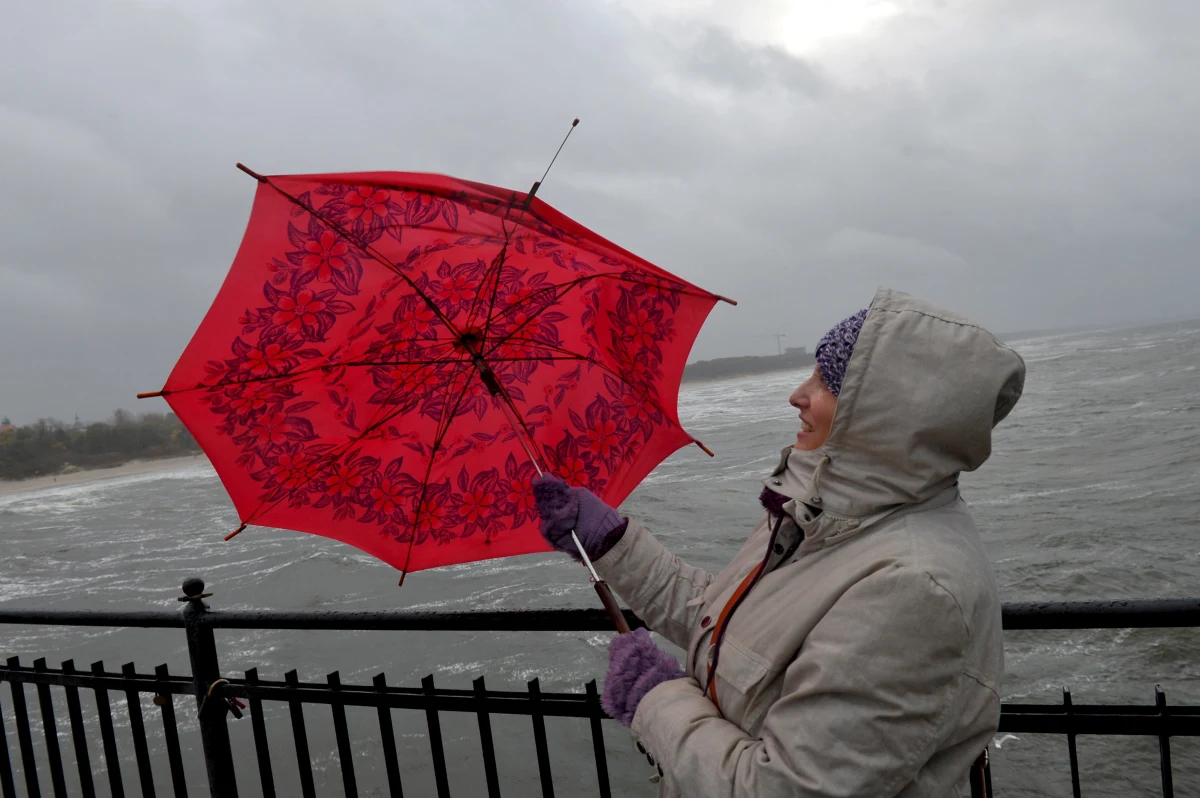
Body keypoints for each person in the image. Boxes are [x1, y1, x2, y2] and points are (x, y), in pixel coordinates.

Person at [533, 287, 1026, 797]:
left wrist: (656, 702)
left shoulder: (913, 588)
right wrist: (611, 542)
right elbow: (723, 622)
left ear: (884, 416)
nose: (798, 393)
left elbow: (785, 789)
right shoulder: (820, 516)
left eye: (827, 381)